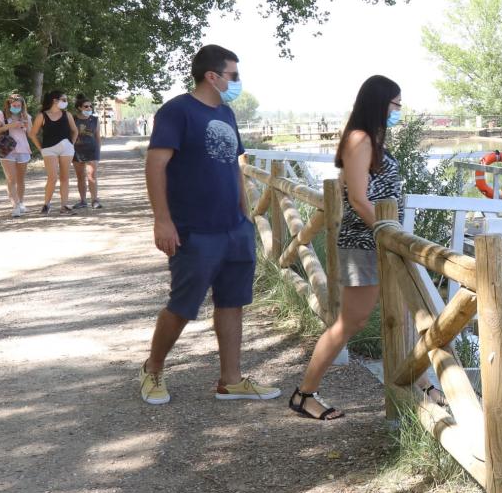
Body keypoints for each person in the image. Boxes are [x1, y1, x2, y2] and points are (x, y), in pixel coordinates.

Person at [139, 44, 278, 406]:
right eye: (233, 75)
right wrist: (162, 220)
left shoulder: (228, 113)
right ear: (212, 76)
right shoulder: (176, 112)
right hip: (194, 230)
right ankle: (152, 368)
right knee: (183, 305)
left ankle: (230, 381)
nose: (238, 82)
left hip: (233, 228)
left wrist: (245, 213)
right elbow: (155, 165)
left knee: (232, 303)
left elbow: (234, 165)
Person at [290, 75, 405, 420]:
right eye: (396, 104)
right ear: (380, 103)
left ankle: (423, 383)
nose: (398, 110)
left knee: (406, 314)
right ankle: (304, 394)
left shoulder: (371, 140)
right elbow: (357, 197)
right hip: (365, 244)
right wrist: (388, 232)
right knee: (349, 324)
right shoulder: (360, 139)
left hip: (380, 242)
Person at [33, 89, 79, 214]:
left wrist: (71, 145)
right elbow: (32, 134)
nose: (66, 102)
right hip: (49, 149)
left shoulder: (67, 114)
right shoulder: (42, 116)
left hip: (67, 149)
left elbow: (75, 131)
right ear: (55, 100)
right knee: (52, 178)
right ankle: (46, 204)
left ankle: (64, 206)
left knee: (65, 177)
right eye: (64, 100)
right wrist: (41, 148)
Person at [0, 93, 33, 218]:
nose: (16, 107)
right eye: (14, 105)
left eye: (18, 105)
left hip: (23, 149)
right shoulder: (1, 114)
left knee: (20, 179)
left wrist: (27, 124)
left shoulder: (26, 116)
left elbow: (31, 133)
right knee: (11, 178)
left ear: (22, 105)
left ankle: (21, 203)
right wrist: (11, 125)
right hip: (7, 149)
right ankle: (15, 206)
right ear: (9, 104)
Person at [71, 95, 102, 210]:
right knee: (80, 176)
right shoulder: (73, 119)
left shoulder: (95, 119)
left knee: (92, 175)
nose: (89, 108)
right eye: (86, 106)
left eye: (90, 106)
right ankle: (83, 201)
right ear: (79, 107)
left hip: (92, 150)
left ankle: (95, 200)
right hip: (77, 151)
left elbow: (98, 137)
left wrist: (98, 151)